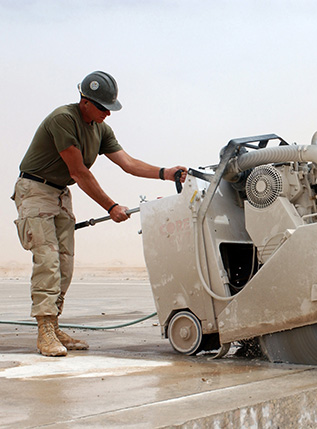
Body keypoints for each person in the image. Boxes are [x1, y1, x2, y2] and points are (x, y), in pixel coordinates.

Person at [12, 71, 187, 357]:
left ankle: (54, 325)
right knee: (47, 259)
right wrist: (110, 206)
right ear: (85, 102)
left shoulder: (100, 128)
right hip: (35, 189)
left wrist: (164, 173)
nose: (108, 113)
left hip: (60, 193)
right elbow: (78, 171)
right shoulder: (63, 120)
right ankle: (44, 330)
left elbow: (127, 163)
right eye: (104, 107)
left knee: (64, 262)